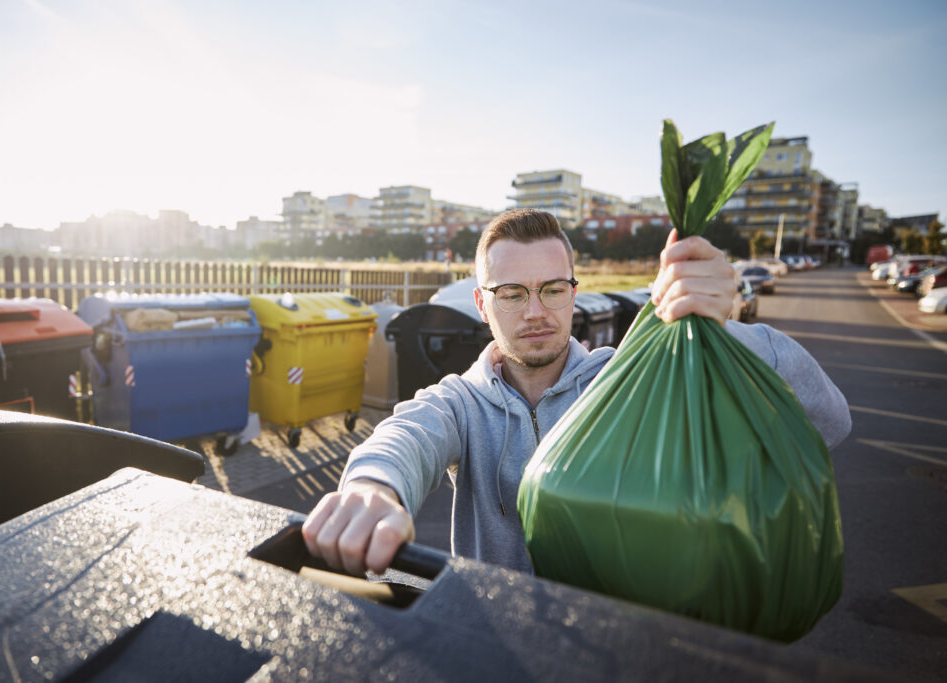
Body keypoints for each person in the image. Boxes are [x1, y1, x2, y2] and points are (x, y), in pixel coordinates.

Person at [303, 209, 851, 576]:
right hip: (498, 646)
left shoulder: (626, 381)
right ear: (481, 303)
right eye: (512, 292)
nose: (537, 311)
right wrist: (373, 488)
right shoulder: (460, 403)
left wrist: (715, 332)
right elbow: (408, 433)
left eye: (553, 289)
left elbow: (827, 421)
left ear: (574, 291)